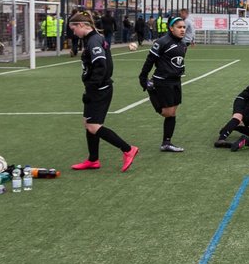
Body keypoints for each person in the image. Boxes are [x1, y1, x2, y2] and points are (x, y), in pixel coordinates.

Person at [67, 11, 139, 172]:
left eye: (74, 28)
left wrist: (92, 89)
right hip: (96, 88)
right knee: (88, 123)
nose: (73, 32)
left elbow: (101, 65)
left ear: (81, 25)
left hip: (99, 89)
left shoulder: (93, 40)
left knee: (93, 126)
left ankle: (128, 149)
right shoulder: (91, 39)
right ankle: (93, 160)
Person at [139, 17, 188, 152]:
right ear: (171, 28)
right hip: (163, 81)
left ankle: (166, 143)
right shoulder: (162, 42)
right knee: (167, 113)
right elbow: (150, 60)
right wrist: (143, 77)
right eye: (179, 27)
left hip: (176, 81)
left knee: (173, 112)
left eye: (184, 27)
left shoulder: (183, 44)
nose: (182, 30)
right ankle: (152, 91)